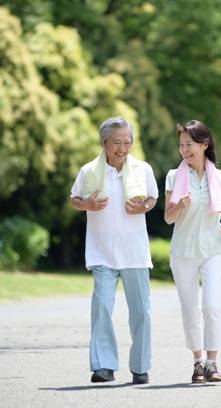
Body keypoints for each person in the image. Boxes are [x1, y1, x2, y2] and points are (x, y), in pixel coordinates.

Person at [70, 117, 158, 384]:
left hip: (134, 252)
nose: (123, 147)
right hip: (102, 252)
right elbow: (74, 198)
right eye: (117, 142)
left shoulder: (142, 169)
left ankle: (140, 367)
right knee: (101, 307)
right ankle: (103, 366)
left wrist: (144, 207)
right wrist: (86, 205)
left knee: (141, 310)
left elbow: (153, 198)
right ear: (104, 143)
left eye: (127, 141)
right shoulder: (89, 170)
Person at [164, 120, 221, 383]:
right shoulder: (174, 177)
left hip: (213, 251)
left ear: (204, 145)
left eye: (190, 144)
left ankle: (212, 363)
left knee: (211, 306)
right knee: (190, 311)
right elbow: (167, 218)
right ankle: (198, 362)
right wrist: (179, 206)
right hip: (182, 253)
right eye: (181, 145)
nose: (184, 150)